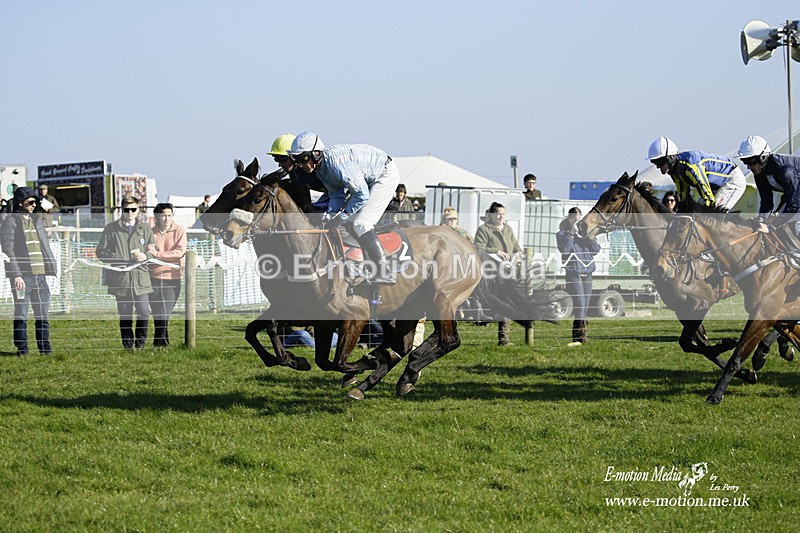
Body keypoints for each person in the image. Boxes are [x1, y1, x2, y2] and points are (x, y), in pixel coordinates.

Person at [288, 131, 399, 284]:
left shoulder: (336, 165)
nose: (300, 164)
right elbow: (336, 194)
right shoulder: (321, 168)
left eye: (303, 159)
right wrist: (329, 215)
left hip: (384, 175)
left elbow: (361, 195)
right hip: (369, 176)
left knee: (362, 223)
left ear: (316, 153)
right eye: (297, 160)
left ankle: (384, 271)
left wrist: (341, 216)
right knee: (351, 223)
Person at [1, 187, 57, 355]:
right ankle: (22, 350)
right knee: (21, 314)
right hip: (22, 278)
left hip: (40, 277)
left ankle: (45, 349)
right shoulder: (10, 222)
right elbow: (8, 251)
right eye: (30, 202)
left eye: (35, 202)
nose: (34, 205)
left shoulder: (37, 220)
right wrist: (16, 275)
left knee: (43, 316)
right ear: (20, 204)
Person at [96, 196, 156, 349]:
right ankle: (128, 344)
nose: (130, 212)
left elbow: (152, 250)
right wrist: (117, 258)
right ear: (121, 210)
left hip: (141, 278)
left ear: (138, 211)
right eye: (126, 209)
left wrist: (146, 256)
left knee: (143, 311)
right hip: (121, 279)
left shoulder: (145, 228)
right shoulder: (111, 229)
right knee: (125, 314)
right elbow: (100, 251)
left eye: (133, 209)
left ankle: (140, 343)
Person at [647, 137, 746, 211]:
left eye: (659, 162)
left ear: (671, 157)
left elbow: (707, 195)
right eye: (655, 162)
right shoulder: (675, 170)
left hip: (732, 180)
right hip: (714, 186)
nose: (657, 166)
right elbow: (683, 194)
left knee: (715, 214)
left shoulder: (690, 166)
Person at [474, 202, 523, 346]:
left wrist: (518, 253)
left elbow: (515, 245)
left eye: (503, 214)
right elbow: (478, 247)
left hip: (508, 270)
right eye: (498, 214)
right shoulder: (483, 230)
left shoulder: (507, 229)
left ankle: (504, 337)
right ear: (491, 215)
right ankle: (501, 334)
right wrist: (496, 252)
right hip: (491, 270)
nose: (501, 217)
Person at [737, 135, 800, 235]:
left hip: (796, 200)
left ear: (763, 157)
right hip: (794, 197)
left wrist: (772, 226)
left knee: (796, 227)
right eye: (745, 162)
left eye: (750, 162)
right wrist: (761, 220)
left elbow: (794, 204)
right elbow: (766, 202)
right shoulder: (759, 173)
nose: (748, 167)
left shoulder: (785, 171)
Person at [556, 207, 601, 347]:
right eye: (574, 219)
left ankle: (584, 334)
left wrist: (589, 237)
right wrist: (571, 234)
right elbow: (564, 250)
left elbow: (596, 250)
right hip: (573, 272)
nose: (576, 221)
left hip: (587, 272)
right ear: (568, 219)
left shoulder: (585, 233)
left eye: (578, 218)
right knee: (580, 304)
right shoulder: (562, 234)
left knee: (586, 305)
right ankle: (577, 336)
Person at [149, 202, 187, 347]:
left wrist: (158, 254)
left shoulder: (179, 230)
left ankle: (158, 343)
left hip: (172, 278)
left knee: (164, 312)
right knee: (157, 313)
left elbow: (179, 251)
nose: (167, 219)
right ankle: (163, 343)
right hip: (153, 277)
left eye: (169, 215)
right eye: (163, 216)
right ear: (156, 217)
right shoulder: (150, 232)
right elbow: (148, 250)